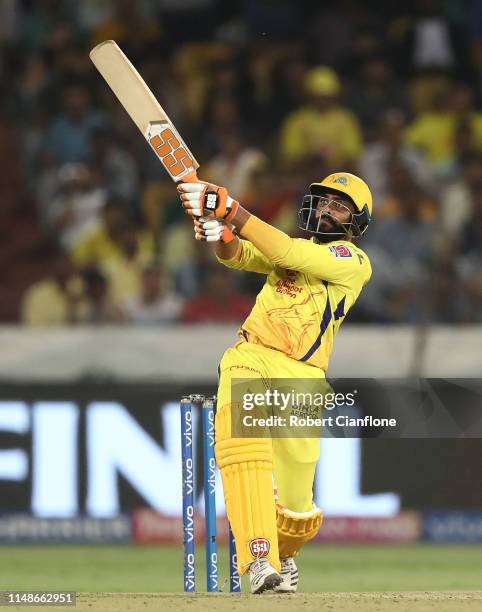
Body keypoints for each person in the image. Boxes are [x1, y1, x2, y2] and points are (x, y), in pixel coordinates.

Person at [178, 172, 373, 594]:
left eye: (338, 205)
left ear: (357, 221)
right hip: (251, 356)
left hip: (303, 376)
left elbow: (286, 250)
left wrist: (232, 210)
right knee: (243, 451)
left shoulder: (352, 261)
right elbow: (239, 255)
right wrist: (221, 233)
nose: (325, 209)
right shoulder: (290, 250)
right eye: (322, 201)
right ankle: (259, 558)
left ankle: (285, 553)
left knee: (297, 504)